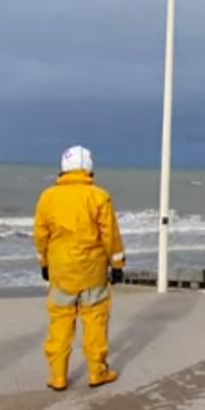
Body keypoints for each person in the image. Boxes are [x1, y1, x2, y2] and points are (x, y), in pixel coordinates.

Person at [34, 145, 125, 391]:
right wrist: (117, 264)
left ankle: (58, 376)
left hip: (62, 271)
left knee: (60, 321)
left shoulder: (48, 197)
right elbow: (110, 236)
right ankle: (97, 371)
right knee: (95, 320)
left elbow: (41, 235)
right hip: (92, 271)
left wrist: (44, 263)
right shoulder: (98, 196)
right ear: (89, 169)